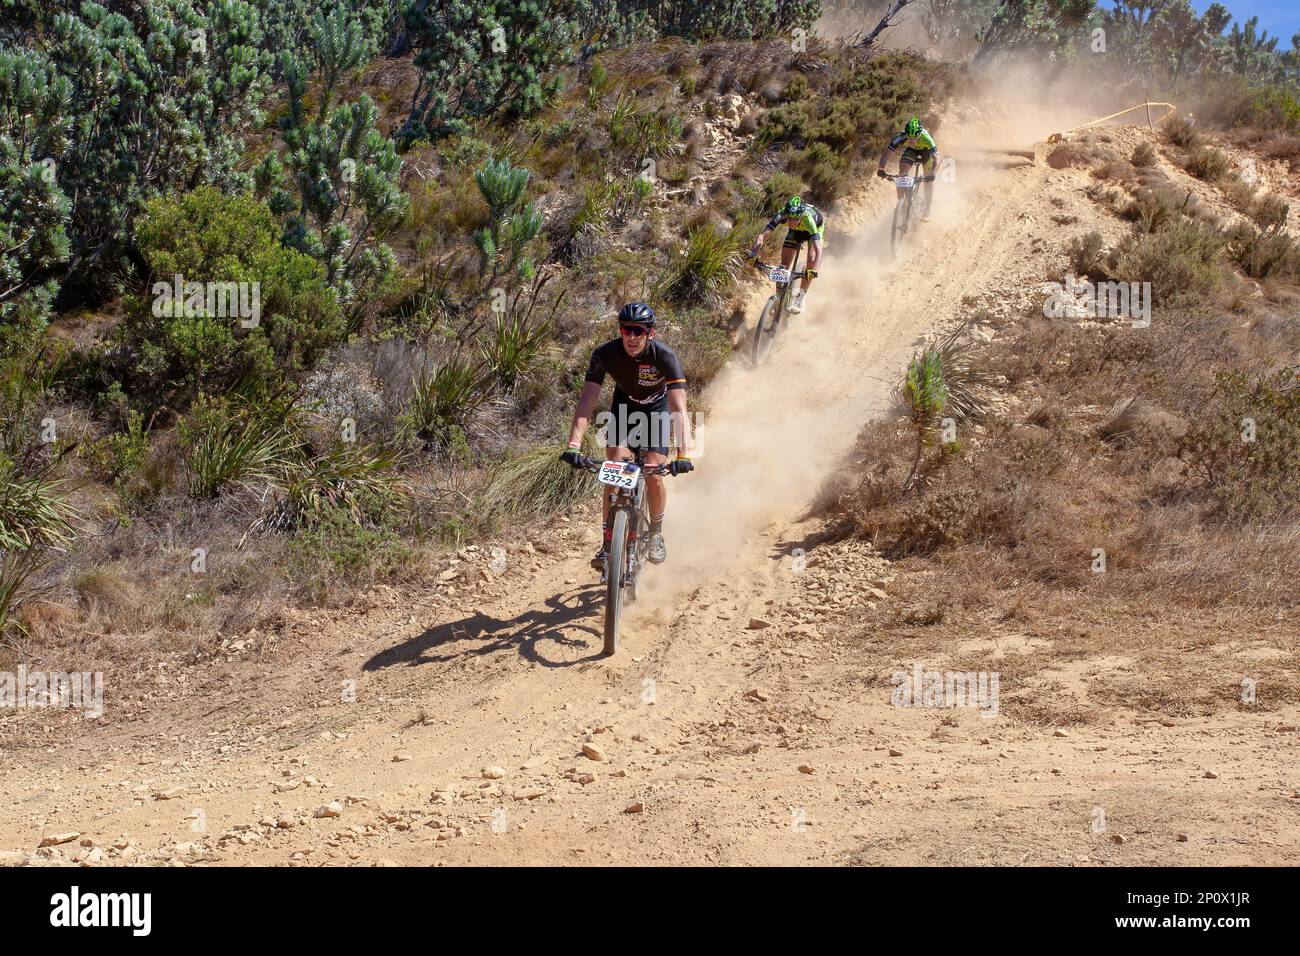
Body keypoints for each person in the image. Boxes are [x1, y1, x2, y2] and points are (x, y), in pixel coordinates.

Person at [561, 302, 694, 571]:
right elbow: (588, 399)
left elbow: (679, 409)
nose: (631, 337)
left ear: (650, 333)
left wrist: (683, 454)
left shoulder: (665, 356)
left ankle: (655, 532)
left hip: (656, 410)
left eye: (638, 330)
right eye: (625, 329)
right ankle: (608, 542)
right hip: (624, 408)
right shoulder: (605, 354)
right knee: (613, 468)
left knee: (654, 474)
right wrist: (574, 445)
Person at [747, 195, 824, 314]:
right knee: (783, 266)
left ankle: (800, 298)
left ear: (801, 215)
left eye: (796, 219)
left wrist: (814, 270)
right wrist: (753, 255)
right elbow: (762, 237)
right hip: (796, 232)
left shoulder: (809, 219)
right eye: (790, 218)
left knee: (812, 258)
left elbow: (818, 249)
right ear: (786, 214)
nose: (792, 222)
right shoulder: (781, 215)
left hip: (814, 229)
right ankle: (778, 299)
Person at [877, 116, 940, 221]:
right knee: (902, 173)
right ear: (905, 134)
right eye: (909, 138)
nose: (911, 141)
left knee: (928, 181)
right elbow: (886, 154)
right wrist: (881, 168)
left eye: (914, 138)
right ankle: (902, 204)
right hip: (911, 151)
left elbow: (937, 157)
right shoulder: (901, 137)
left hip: (926, 153)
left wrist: (933, 173)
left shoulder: (926, 138)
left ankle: (927, 209)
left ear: (919, 135)